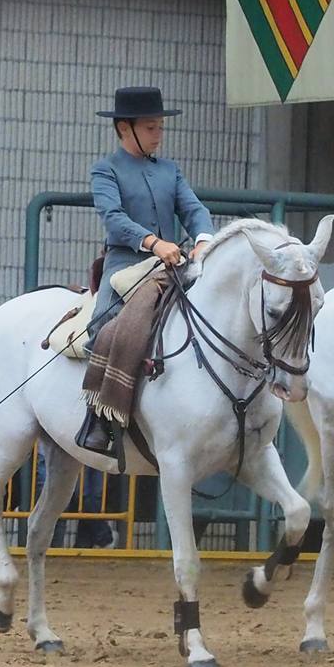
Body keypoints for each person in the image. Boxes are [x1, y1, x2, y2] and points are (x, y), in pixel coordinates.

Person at [76, 86, 215, 454]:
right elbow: (114, 218)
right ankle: (97, 415)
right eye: (151, 128)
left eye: (160, 127)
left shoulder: (170, 170)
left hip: (171, 264)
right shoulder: (105, 169)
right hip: (127, 262)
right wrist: (153, 242)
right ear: (125, 128)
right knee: (105, 324)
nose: (159, 134)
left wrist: (202, 238)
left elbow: (194, 209)